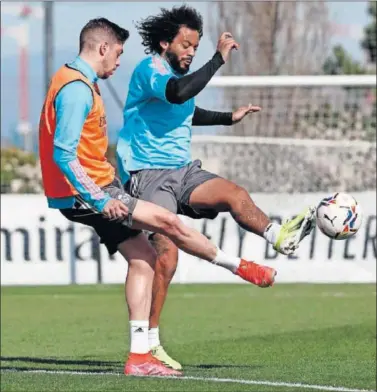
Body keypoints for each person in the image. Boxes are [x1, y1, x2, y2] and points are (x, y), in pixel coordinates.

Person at [39, 17, 277, 378]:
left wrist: (227, 117)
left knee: (144, 258)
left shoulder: (77, 80)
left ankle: (139, 357)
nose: (119, 62)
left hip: (95, 187)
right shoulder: (76, 88)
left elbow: (181, 110)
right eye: (117, 53)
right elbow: (64, 154)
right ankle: (239, 266)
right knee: (166, 223)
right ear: (102, 48)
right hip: (89, 192)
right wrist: (102, 200)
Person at [116, 5, 316, 370]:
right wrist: (217, 60)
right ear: (165, 43)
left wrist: (228, 117)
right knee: (167, 256)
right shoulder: (151, 70)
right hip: (146, 175)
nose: (191, 52)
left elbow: (186, 110)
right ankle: (151, 343)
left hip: (183, 172)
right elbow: (177, 94)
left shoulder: (181, 76)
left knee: (234, 194)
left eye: (196, 45)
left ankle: (278, 236)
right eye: (186, 44)